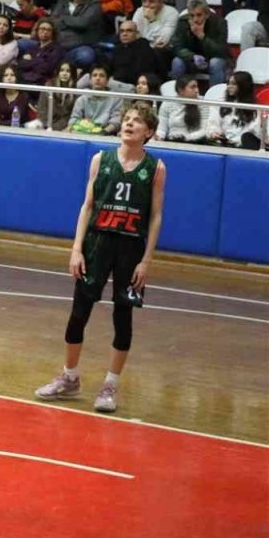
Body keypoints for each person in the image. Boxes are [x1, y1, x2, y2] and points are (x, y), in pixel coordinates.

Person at [35, 102, 166, 414]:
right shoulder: (100, 159)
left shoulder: (156, 168)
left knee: (123, 316)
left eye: (137, 121)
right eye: (127, 119)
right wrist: (76, 248)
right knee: (79, 311)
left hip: (131, 247)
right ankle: (69, 377)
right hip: (97, 242)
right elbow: (87, 206)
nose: (129, 124)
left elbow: (156, 216)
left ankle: (110, 384)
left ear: (148, 132)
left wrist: (146, 260)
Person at [169, 0, 229, 84]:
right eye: (191, 15)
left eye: (199, 15)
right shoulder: (183, 22)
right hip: (192, 59)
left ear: (207, 14)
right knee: (177, 62)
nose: (195, 19)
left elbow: (221, 51)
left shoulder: (220, 23)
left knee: (215, 63)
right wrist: (192, 56)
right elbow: (177, 47)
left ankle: (214, 96)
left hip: (211, 58)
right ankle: (178, 93)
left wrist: (202, 36)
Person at [50, 0, 103, 70]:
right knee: (23, 44)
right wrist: (72, 23)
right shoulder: (62, 2)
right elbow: (53, 22)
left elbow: (83, 23)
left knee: (86, 55)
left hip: (79, 48)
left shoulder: (94, 5)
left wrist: (63, 18)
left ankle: (60, 66)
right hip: (57, 46)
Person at [206, 71, 262, 150]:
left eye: (233, 84)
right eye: (228, 83)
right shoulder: (220, 104)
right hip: (222, 143)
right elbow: (213, 124)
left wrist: (236, 142)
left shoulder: (253, 108)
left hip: (242, 145)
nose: (229, 86)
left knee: (247, 138)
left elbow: (254, 131)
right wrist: (214, 132)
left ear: (243, 86)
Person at [67, 65, 123, 135]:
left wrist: (102, 132)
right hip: (82, 132)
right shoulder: (82, 99)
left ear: (107, 81)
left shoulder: (116, 99)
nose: (98, 78)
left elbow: (116, 122)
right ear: (90, 80)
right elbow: (74, 119)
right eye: (94, 75)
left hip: (105, 134)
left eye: (101, 76)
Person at [156, 75, 211, 143]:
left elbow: (204, 130)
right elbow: (162, 128)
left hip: (195, 142)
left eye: (197, 87)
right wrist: (159, 136)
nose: (197, 90)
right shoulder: (168, 103)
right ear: (181, 90)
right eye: (192, 87)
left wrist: (185, 138)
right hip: (171, 141)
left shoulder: (202, 103)